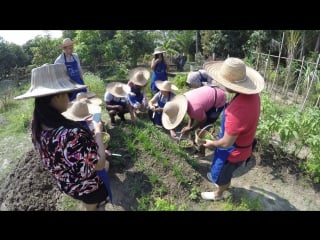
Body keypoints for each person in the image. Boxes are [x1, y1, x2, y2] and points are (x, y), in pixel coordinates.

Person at [14, 63, 111, 211]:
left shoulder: (36, 125)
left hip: (65, 183)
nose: (69, 98)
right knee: (104, 171)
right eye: (67, 94)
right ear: (57, 96)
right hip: (88, 188)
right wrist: (98, 133)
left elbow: (67, 156)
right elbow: (98, 165)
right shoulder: (71, 134)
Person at [200, 57, 265, 201]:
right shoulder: (253, 96)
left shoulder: (236, 111)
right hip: (243, 145)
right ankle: (221, 179)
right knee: (222, 171)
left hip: (233, 151)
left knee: (221, 175)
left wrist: (211, 143)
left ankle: (218, 193)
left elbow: (226, 143)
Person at [162, 85, 227, 137]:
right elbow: (190, 112)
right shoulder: (184, 99)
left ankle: (203, 142)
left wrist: (191, 129)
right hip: (208, 92)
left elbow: (203, 119)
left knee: (206, 124)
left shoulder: (194, 109)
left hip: (219, 97)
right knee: (200, 116)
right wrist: (188, 126)